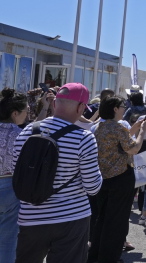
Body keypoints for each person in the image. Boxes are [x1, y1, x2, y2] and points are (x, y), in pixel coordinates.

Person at [13, 83, 103, 263]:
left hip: (30, 218)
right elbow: (93, 187)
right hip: (71, 218)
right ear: (81, 107)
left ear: (54, 104)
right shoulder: (84, 138)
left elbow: (20, 176)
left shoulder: (25, 133)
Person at [88, 96, 146, 263]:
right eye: (122, 106)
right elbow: (134, 149)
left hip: (102, 179)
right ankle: (109, 258)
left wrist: (134, 128)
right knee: (116, 222)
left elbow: (116, 142)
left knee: (101, 219)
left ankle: (95, 256)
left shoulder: (97, 127)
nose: (124, 108)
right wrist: (142, 130)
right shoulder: (117, 127)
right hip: (120, 179)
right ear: (115, 108)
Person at [0, 88, 27, 260]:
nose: (27, 114)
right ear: (15, 113)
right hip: (10, 187)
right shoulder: (21, 135)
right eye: (26, 111)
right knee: (8, 241)